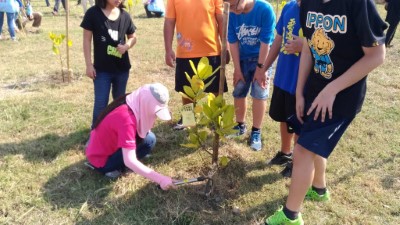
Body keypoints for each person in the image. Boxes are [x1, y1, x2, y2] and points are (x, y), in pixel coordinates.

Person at [264, 0, 387, 224]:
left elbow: (377, 55)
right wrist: (300, 92)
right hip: (314, 89)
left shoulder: (358, 4)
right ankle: (319, 189)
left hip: (341, 97)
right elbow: (310, 48)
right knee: (311, 142)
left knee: (302, 151)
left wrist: (331, 90)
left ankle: (291, 216)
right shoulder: (308, 4)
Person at [86, 83, 176, 190]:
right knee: (147, 141)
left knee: (149, 139)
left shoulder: (132, 101)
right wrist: (161, 179)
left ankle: (123, 162)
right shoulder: (126, 120)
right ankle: (110, 169)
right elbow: (130, 160)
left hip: (102, 149)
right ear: (145, 105)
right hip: (102, 161)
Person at [164, 0, 228, 130]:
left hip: (211, 50)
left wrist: (225, 47)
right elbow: (169, 22)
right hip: (185, 52)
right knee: (186, 90)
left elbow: (221, 19)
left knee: (215, 89)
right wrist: (168, 49)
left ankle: (215, 119)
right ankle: (188, 119)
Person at [225, 0, 275, 151]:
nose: (232, 10)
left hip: (263, 59)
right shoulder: (232, 14)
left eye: (233, 6)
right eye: (228, 7)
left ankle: (256, 131)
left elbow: (266, 41)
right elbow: (232, 42)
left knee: (259, 92)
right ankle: (240, 125)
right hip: (243, 58)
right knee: (239, 89)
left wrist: (262, 68)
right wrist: (237, 69)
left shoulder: (265, 9)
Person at [81, 0, 137, 128]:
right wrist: (89, 65)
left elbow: (133, 37)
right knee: (101, 103)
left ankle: (117, 130)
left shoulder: (125, 16)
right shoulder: (93, 13)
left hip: (121, 70)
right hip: (101, 70)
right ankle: (96, 134)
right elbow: (86, 39)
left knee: (119, 102)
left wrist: (126, 46)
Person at [264, 0, 303, 177]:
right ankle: (285, 153)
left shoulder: (319, 12)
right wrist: (263, 68)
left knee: (299, 123)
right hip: (283, 76)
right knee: (284, 117)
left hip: (302, 80)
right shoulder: (289, 7)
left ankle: (297, 162)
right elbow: (278, 40)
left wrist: (304, 45)